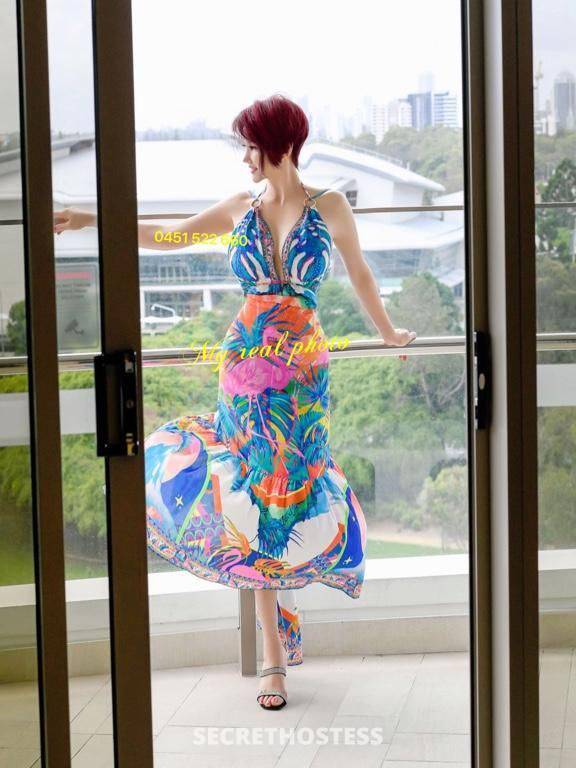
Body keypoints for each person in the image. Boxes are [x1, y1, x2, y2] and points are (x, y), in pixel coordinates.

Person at [53, 93, 417, 711]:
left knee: (289, 496)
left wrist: (387, 332)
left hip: (302, 379)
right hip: (245, 372)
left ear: (282, 145)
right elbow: (168, 236)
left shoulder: (330, 205)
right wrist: (90, 219)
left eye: (252, 146)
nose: (246, 158)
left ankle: (284, 636)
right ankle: (274, 658)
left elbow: (359, 272)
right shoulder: (239, 208)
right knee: (255, 501)